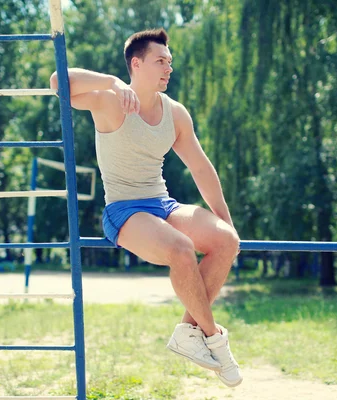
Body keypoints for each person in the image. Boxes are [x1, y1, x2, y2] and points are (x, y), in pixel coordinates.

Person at [50, 28, 242, 387]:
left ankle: (188, 332)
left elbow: (200, 167)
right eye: (160, 61)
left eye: (170, 62)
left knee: (227, 241)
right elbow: (59, 81)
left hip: (162, 204)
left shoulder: (176, 113)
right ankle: (214, 338)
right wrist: (110, 81)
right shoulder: (108, 99)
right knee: (181, 249)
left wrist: (226, 226)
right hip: (123, 211)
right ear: (136, 64)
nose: (168, 68)